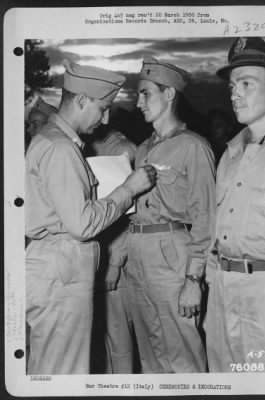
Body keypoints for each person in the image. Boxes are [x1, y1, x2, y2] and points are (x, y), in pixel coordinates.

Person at [25, 59, 157, 375]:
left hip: (55, 267)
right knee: (64, 372)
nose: (106, 117)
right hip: (62, 270)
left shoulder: (52, 139)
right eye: (103, 108)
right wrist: (129, 188)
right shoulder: (60, 148)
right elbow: (82, 224)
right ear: (82, 100)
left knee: (51, 368)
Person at [205, 37, 265, 372]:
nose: (234, 94)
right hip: (222, 295)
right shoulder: (230, 154)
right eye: (232, 85)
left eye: (246, 83)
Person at [124, 56, 216, 373]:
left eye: (145, 93)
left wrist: (194, 279)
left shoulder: (193, 146)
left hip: (171, 256)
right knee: (150, 358)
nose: (138, 103)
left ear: (169, 94)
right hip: (137, 256)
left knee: (182, 355)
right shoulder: (142, 149)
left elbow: (206, 219)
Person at [88, 126, 138, 374]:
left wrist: (116, 261)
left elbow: (130, 215)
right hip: (97, 259)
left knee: (119, 341)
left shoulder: (121, 149)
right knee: (103, 341)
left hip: (113, 263)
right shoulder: (86, 145)